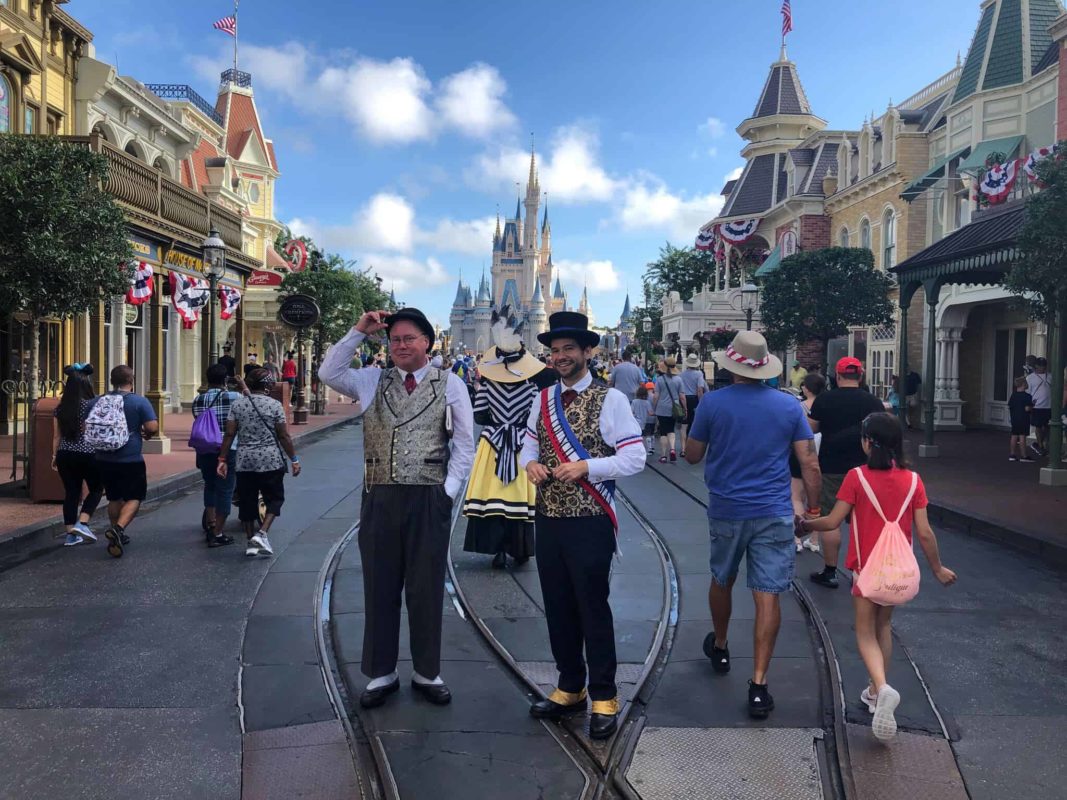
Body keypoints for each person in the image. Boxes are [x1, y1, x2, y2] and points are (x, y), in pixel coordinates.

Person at [318, 307, 475, 709]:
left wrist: (447, 493)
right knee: (380, 585)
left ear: (427, 342)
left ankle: (427, 671)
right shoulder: (371, 380)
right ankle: (381, 671)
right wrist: (358, 330)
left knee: (425, 587)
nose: (401, 346)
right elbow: (328, 373)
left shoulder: (451, 384)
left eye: (410, 339)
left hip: (428, 496)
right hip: (380, 495)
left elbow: (464, 446)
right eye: (395, 340)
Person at [520, 311, 645, 740]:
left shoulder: (612, 400)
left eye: (569, 349)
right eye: (554, 351)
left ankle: (605, 695)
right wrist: (531, 463)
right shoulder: (542, 399)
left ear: (587, 352)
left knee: (592, 606)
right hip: (548, 517)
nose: (560, 357)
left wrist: (588, 466)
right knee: (556, 605)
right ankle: (569, 685)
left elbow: (634, 457)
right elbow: (527, 444)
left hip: (590, 520)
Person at [685, 331, 821, 720]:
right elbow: (809, 462)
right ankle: (759, 685)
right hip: (775, 511)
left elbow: (692, 455)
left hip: (728, 508)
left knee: (722, 578)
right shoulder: (789, 406)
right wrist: (813, 509)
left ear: (732, 367)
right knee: (768, 594)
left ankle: (722, 644)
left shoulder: (713, 403)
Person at [801, 413, 956, 740]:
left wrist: (806, 524)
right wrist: (938, 568)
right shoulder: (914, 481)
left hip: (866, 568)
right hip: (897, 568)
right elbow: (925, 533)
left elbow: (831, 522)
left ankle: (883, 687)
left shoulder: (857, 477)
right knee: (884, 626)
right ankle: (874, 691)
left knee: (864, 631)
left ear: (868, 442)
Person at [463, 309, 556, 569]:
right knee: (519, 499)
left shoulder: (488, 386)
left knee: (492, 496)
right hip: (520, 445)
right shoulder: (531, 389)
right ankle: (520, 548)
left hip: (492, 444)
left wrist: (497, 418)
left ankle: (497, 550)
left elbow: (480, 416)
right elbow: (536, 420)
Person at [808, 357, 886, 588]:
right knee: (862, 521)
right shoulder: (872, 401)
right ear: (860, 376)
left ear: (838, 376)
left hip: (832, 466)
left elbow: (810, 429)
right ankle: (861, 572)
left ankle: (830, 571)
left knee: (831, 519)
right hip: (866, 469)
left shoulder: (824, 399)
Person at [217, 368, 301, 557]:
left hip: (244, 461)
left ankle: (251, 542)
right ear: (267, 386)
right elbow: (283, 435)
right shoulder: (274, 406)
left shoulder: (238, 405)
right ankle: (261, 533)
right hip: (270, 460)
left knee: (247, 502)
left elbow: (229, 434)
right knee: (275, 498)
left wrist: (222, 459)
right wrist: (294, 459)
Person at [94, 365, 158, 558]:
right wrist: (145, 433)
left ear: (112, 380)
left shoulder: (99, 400)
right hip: (130, 457)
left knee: (114, 497)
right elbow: (152, 426)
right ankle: (119, 529)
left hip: (104, 457)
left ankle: (115, 532)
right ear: (132, 380)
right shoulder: (139, 401)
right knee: (134, 497)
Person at [51, 363, 103, 546]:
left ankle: (70, 535)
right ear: (87, 384)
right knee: (96, 489)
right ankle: (82, 522)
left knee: (71, 493)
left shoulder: (60, 407)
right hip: (89, 453)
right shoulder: (93, 404)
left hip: (65, 454)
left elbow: (56, 436)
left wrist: (54, 456)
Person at [192, 364, 243, 547]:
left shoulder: (198, 399)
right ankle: (218, 532)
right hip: (227, 448)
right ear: (225, 380)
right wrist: (242, 386)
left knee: (210, 485)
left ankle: (211, 522)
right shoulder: (235, 397)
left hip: (205, 448)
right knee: (226, 489)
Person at [790, 372, 826, 553]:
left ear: (807, 388)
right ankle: (814, 539)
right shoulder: (826, 405)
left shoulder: (800, 406)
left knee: (797, 496)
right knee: (815, 498)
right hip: (822, 453)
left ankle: (797, 538)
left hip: (801, 451)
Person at [652, 358, 686, 463]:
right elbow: (682, 396)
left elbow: (656, 396)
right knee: (671, 430)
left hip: (661, 408)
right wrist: (685, 408)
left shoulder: (660, 379)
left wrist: (654, 407)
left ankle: (663, 456)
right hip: (674, 408)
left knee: (663, 432)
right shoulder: (679, 380)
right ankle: (672, 449)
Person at [679, 353, 708, 458]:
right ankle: (689, 447)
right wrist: (701, 402)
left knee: (683, 425)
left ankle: (682, 449)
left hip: (683, 399)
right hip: (694, 399)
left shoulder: (681, 374)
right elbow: (700, 389)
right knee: (693, 424)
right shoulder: (699, 374)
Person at [1026, 358, 1052, 457]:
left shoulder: (1050, 376)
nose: (1043, 367)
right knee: (1038, 426)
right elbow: (1028, 393)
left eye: (1044, 365)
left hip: (1049, 405)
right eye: (1041, 365)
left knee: (1047, 426)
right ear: (1036, 366)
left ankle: (1042, 443)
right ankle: (1040, 446)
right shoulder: (1030, 378)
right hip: (1037, 406)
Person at [1009, 376, 1035, 462]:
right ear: (1024, 384)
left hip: (1014, 418)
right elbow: (1027, 409)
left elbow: (1010, 406)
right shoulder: (1027, 396)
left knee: (1014, 435)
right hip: (1023, 418)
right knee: (1022, 436)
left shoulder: (1013, 395)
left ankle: (1012, 454)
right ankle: (1024, 455)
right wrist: (1033, 405)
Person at [631, 384, 656, 454]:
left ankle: (637, 450)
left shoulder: (634, 401)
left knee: (637, 436)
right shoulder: (647, 402)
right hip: (644, 422)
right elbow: (650, 413)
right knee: (646, 435)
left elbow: (631, 411)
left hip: (635, 422)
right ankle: (649, 450)